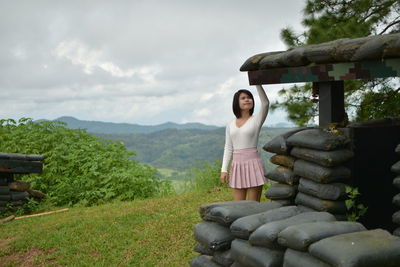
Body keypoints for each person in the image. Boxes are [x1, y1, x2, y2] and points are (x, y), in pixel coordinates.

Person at [220, 85, 269, 202]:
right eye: (243, 98)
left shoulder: (256, 119)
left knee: (253, 206)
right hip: (237, 166)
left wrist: (257, 83)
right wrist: (224, 170)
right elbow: (228, 147)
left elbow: (266, 103)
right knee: (238, 206)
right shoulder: (230, 124)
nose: (247, 99)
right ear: (236, 102)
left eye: (249, 97)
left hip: (253, 164)